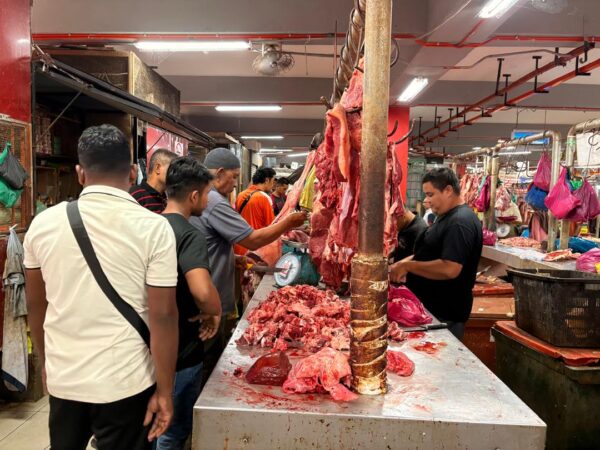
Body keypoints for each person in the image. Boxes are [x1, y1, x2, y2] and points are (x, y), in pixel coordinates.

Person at [24, 125, 179, 450]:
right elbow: (163, 316)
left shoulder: (42, 225)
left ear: (80, 173)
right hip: (126, 381)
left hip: (66, 377)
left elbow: (37, 306)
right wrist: (165, 391)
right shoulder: (155, 228)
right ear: (133, 172)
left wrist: (46, 363)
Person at [189, 148, 306, 353]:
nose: (236, 183)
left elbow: (206, 242)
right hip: (209, 301)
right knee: (207, 357)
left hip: (206, 295)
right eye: (234, 176)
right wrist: (288, 222)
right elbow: (253, 240)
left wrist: (232, 257)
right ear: (220, 173)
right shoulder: (214, 201)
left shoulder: (207, 198)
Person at [158, 157, 222, 450]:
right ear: (194, 196)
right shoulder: (188, 234)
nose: (208, 201)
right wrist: (214, 312)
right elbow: (202, 291)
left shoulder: (147, 226)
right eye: (207, 194)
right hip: (181, 350)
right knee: (172, 433)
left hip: (144, 348)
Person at [390, 167, 483, 340]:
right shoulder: (446, 217)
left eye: (430, 195)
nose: (427, 200)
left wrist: (408, 266)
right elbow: (429, 253)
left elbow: (450, 268)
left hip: (445, 316)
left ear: (448, 190)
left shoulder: (460, 222)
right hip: (431, 313)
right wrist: (402, 264)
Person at [130, 148, 177, 213]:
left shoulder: (166, 197)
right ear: (158, 168)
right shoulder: (136, 194)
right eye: (173, 170)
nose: (176, 174)